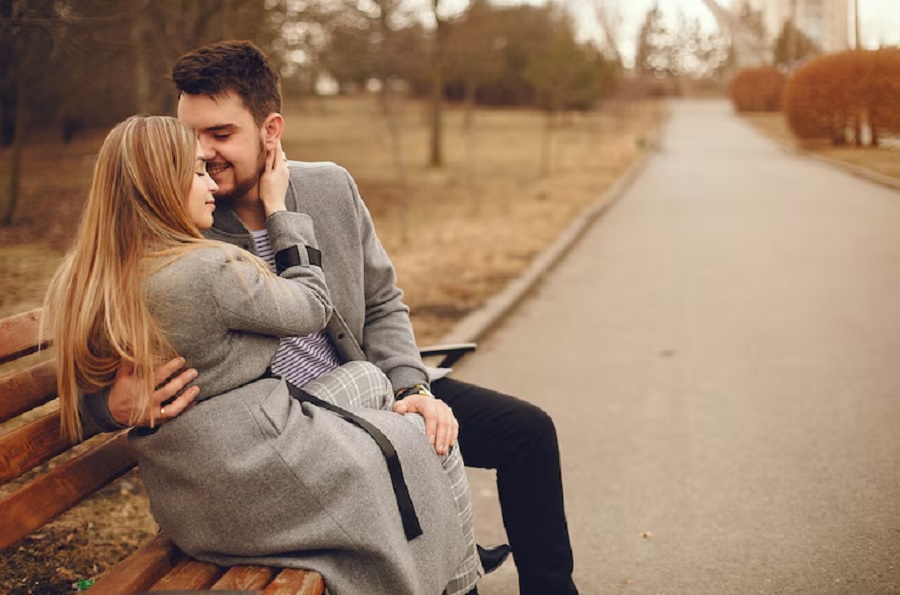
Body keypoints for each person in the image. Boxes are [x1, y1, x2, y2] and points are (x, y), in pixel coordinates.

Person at [80, 40, 579, 594]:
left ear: (271, 130)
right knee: (415, 451)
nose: (202, 153)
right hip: (286, 433)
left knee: (527, 432)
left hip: (368, 384)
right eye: (190, 135)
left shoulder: (329, 187)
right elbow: (94, 360)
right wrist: (110, 406)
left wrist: (412, 386)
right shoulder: (181, 223)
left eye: (220, 134)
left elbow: (383, 301)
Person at [49, 115, 480, 595]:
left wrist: (110, 408)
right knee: (429, 438)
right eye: (197, 172)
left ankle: (422, 527)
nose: (211, 183)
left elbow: (79, 395)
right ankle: (457, 581)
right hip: (249, 483)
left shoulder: (86, 281)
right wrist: (280, 212)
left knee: (370, 380)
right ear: (162, 186)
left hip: (187, 497)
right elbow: (313, 306)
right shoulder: (209, 269)